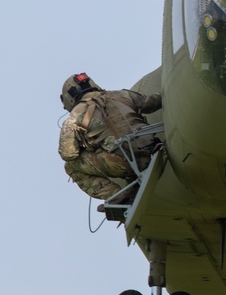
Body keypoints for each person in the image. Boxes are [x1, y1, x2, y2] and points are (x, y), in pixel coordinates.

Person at [58, 73, 163, 201]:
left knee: (71, 166)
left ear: (69, 98)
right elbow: (151, 102)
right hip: (152, 147)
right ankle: (133, 183)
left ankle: (118, 196)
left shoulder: (74, 117)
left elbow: (68, 154)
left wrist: (88, 146)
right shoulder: (121, 94)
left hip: (124, 161)